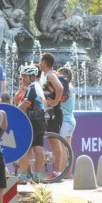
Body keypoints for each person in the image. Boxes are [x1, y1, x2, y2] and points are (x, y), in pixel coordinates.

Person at [39, 53, 66, 181]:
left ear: (44, 62)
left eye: (40, 60)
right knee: (53, 141)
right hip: (50, 113)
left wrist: (55, 102)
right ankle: (57, 171)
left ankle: (57, 172)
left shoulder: (50, 74)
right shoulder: (48, 75)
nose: (39, 63)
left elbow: (59, 87)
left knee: (55, 142)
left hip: (54, 113)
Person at [16, 65, 46, 183]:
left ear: (32, 77)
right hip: (41, 120)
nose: (23, 78)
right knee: (38, 148)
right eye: (22, 76)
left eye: (25, 76)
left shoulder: (32, 88)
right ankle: (37, 176)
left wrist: (12, 114)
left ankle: (23, 176)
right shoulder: (38, 87)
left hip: (32, 121)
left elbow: (24, 105)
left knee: (25, 149)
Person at [57, 67, 77, 178]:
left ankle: (62, 173)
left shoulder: (65, 89)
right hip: (71, 120)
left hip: (65, 121)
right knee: (68, 148)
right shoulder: (71, 88)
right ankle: (68, 174)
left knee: (63, 148)